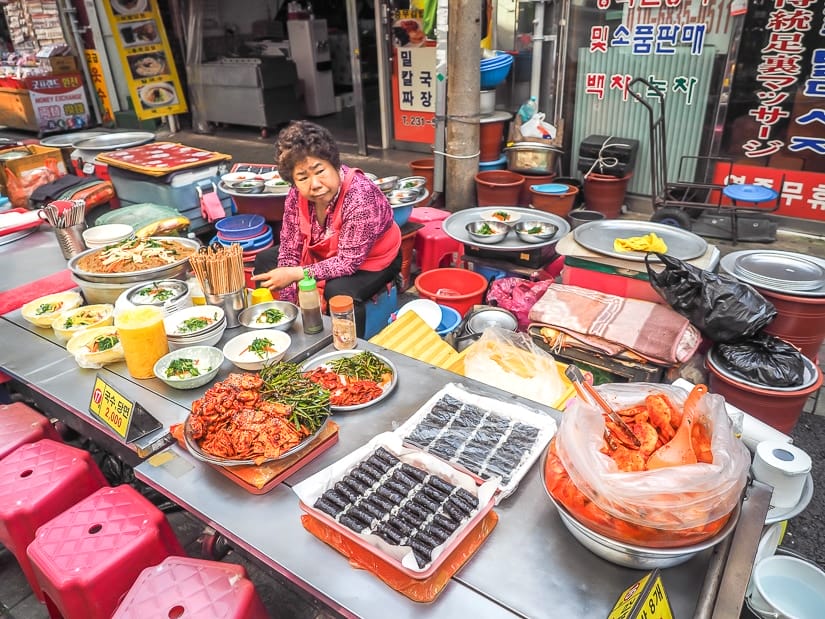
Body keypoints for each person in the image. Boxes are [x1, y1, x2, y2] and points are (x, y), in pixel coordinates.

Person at [252, 120, 401, 337]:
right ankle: (282, 330)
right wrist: (291, 304)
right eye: (303, 177)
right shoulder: (296, 194)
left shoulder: (361, 196)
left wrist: (295, 274)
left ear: (334, 164)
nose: (314, 184)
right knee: (266, 262)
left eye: (320, 171)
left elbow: (348, 263)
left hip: (371, 259)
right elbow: (290, 246)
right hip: (323, 254)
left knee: (338, 292)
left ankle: (349, 350)